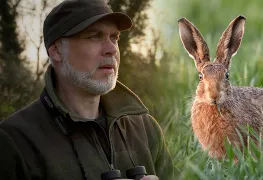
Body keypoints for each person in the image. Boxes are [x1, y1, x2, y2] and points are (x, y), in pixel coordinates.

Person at [0, 0, 174, 179]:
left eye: (114, 37)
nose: (112, 49)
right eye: (94, 37)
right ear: (56, 51)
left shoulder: (145, 128)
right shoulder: (13, 141)